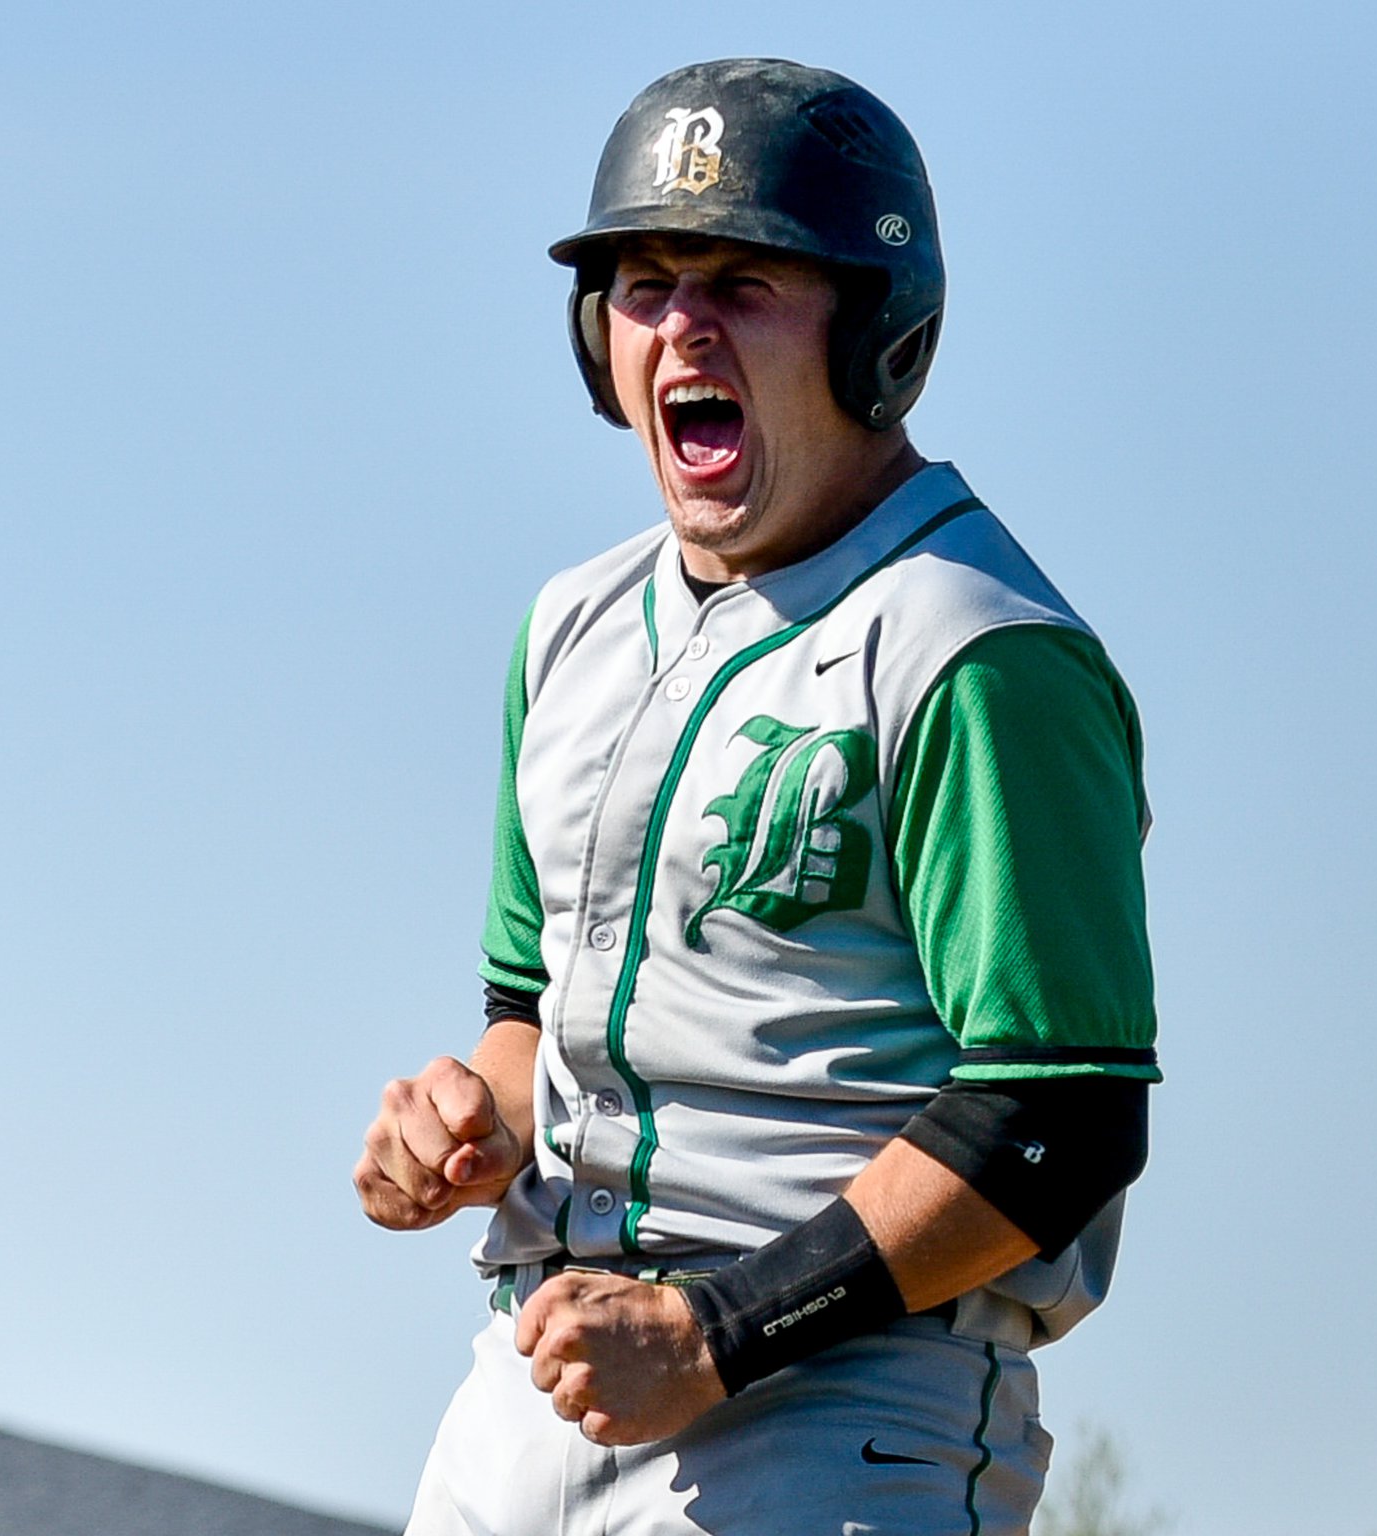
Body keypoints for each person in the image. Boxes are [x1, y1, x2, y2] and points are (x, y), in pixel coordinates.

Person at [355, 57, 1159, 1536]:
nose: (682, 325)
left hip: (841, 1416)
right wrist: (465, 1121)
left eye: (743, 279)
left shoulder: (979, 651)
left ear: (874, 334)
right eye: (644, 282)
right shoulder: (571, 626)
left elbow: (1057, 1121)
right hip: (533, 1388)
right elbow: (533, 1015)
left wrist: (720, 1332)